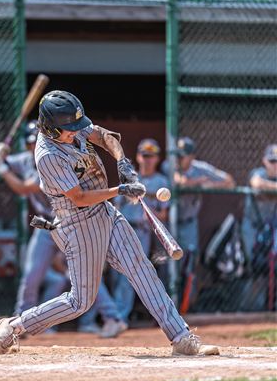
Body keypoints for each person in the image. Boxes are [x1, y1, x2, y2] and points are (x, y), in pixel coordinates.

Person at [0, 90, 219, 356]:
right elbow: (80, 197)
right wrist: (120, 190)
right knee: (80, 302)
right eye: (68, 129)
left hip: (105, 213)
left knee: (141, 268)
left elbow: (106, 137)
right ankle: (14, 326)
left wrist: (123, 163)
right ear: (50, 128)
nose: (76, 131)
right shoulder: (47, 155)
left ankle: (181, 338)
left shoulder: (74, 128)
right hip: (77, 223)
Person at [0, 121, 126, 338]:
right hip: (45, 227)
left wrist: (3, 169)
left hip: (70, 223)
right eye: (29, 144)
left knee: (84, 276)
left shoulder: (50, 160)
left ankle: (113, 318)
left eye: (36, 142)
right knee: (31, 275)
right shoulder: (25, 160)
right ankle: (19, 321)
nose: (33, 147)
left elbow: (24, 188)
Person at [164, 137, 235, 311]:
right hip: (169, 223)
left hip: (189, 224)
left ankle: (185, 308)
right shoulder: (169, 165)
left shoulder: (200, 169)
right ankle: (166, 307)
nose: (180, 159)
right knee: (167, 266)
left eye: (184, 156)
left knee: (189, 265)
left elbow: (229, 181)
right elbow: (180, 180)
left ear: (192, 156)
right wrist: (197, 183)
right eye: (178, 155)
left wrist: (208, 183)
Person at [110, 138, 170, 323]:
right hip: (121, 229)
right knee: (114, 275)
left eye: (151, 156)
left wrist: (152, 215)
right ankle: (113, 315)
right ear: (138, 157)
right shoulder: (131, 179)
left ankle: (120, 317)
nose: (148, 159)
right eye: (145, 155)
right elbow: (116, 206)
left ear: (157, 158)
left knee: (131, 273)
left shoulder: (161, 180)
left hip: (141, 232)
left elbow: (164, 215)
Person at [240, 143, 277, 310]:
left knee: (271, 267)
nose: (275, 165)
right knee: (254, 267)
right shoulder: (258, 173)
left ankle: (266, 307)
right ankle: (247, 308)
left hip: (271, 230)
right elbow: (257, 183)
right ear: (264, 161)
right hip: (252, 228)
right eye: (272, 161)